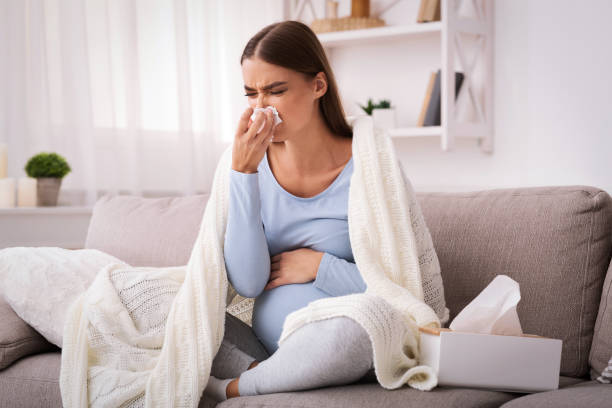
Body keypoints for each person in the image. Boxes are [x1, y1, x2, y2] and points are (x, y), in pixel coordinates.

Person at [204, 20, 381, 402]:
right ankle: (273, 375)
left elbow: (398, 292)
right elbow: (248, 284)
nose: (261, 108)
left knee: (354, 334)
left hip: (340, 339)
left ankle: (234, 386)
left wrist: (321, 266)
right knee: (172, 301)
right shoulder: (246, 164)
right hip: (262, 342)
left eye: (276, 91)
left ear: (318, 85)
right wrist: (244, 175)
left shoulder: (371, 163)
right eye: (251, 94)